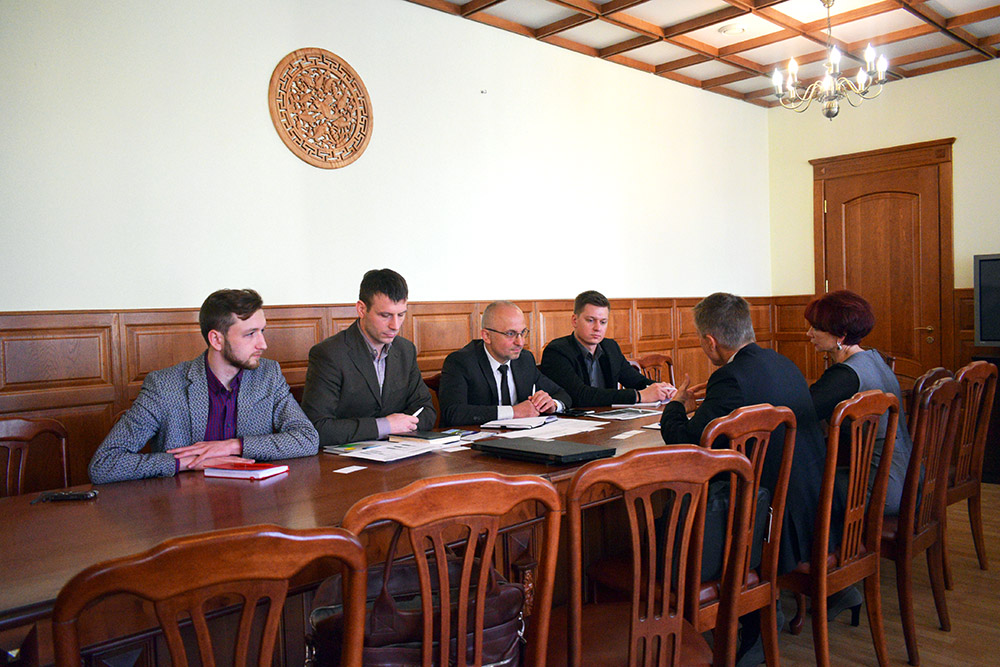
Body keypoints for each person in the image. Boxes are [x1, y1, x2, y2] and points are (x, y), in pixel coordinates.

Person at [659, 292, 831, 666]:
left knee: (678, 517)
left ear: (710, 341)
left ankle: (751, 620)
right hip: (810, 503)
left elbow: (689, 443)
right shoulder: (783, 362)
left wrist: (676, 406)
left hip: (770, 521)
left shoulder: (729, 378)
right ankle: (767, 610)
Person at [89, 289, 319, 484]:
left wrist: (233, 446)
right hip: (189, 510)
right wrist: (187, 462)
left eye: (262, 331)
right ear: (216, 339)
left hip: (256, 506)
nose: (263, 344)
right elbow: (104, 464)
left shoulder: (268, 374)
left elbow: (307, 439)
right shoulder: (164, 385)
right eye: (250, 334)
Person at [805, 289, 913, 516]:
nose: (809, 333)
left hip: (880, 489)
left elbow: (802, 412)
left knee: (798, 486)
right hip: (908, 479)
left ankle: (825, 540)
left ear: (841, 335)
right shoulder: (873, 358)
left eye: (816, 328)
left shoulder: (845, 375)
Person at [301, 269, 435, 446]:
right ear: (361, 309)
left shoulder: (405, 350)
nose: (395, 325)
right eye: (385, 315)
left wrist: (404, 425)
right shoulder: (329, 354)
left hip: (400, 450)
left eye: (401, 315)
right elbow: (318, 427)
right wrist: (385, 426)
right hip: (345, 457)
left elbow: (426, 410)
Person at [438, 301, 571, 427]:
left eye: (523, 333)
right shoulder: (460, 362)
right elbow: (453, 412)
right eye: (510, 334)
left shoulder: (524, 359)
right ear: (487, 336)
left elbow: (562, 394)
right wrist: (513, 412)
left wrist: (552, 404)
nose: (520, 342)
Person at [539, 290, 675, 407]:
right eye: (590, 320)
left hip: (608, 418)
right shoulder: (557, 351)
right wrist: (638, 396)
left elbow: (636, 381)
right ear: (575, 320)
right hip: (574, 421)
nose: (598, 328)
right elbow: (580, 395)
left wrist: (661, 389)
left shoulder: (610, 347)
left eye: (603, 322)